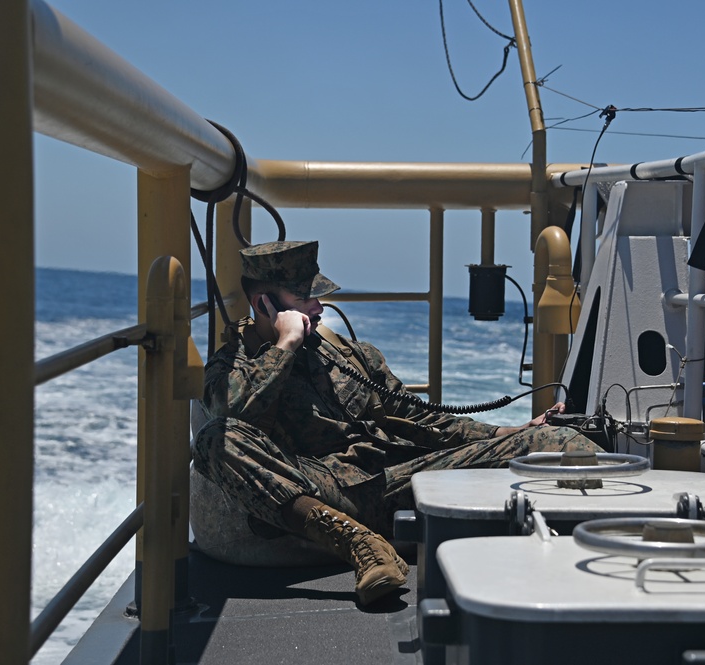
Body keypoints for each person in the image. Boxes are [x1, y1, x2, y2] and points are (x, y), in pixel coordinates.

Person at [192, 240, 603, 605]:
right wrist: (284, 346)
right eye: (303, 298)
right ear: (265, 304)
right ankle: (356, 543)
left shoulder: (349, 355)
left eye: (317, 296)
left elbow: (415, 417)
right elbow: (232, 418)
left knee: (557, 439)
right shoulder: (233, 367)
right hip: (323, 494)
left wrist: (509, 433)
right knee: (216, 438)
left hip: (393, 481)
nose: (317, 308)